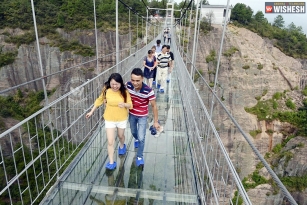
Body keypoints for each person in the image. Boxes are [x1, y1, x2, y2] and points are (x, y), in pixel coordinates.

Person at [86, 73, 132, 170]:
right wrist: (91, 112)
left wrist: (124, 105)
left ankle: (122, 145)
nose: (115, 86)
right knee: (110, 141)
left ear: (121, 83)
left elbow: (130, 105)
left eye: (117, 84)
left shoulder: (125, 92)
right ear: (109, 83)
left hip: (121, 118)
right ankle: (111, 161)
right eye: (112, 84)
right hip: (109, 118)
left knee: (120, 136)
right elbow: (99, 100)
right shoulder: (106, 90)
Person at [126, 68, 160, 166]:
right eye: (133, 80)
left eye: (137, 80)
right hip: (132, 114)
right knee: (133, 132)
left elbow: (154, 106)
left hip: (142, 116)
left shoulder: (148, 91)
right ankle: (137, 139)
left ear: (142, 79)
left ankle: (139, 156)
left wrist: (156, 121)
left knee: (141, 137)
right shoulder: (128, 85)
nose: (135, 83)